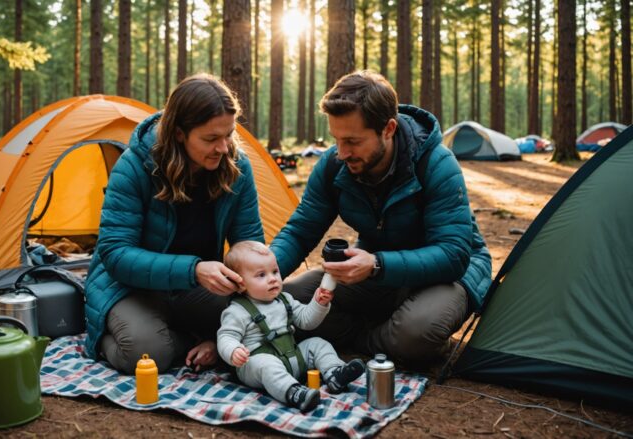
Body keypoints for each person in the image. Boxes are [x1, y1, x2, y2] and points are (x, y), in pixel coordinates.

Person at [270, 70, 492, 366]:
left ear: (388, 129)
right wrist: (265, 274)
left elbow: (453, 254)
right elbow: (300, 231)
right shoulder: (334, 165)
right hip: (378, 270)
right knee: (287, 303)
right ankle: (386, 337)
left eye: (352, 141)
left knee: (417, 331)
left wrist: (376, 264)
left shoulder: (436, 163)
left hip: (446, 275)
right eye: (336, 139)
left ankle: (386, 338)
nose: (342, 153)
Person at [83, 74, 265, 374]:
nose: (223, 148)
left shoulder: (236, 167)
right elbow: (115, 254)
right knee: (146, 354)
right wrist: (193, 270)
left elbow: (250, 241)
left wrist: (256, 281)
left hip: (197, 287)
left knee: (261, 322)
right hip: (130, 286)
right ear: (180, 133)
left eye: (228, 135)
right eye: (210, 139)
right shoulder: (133, 167)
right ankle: (116, 332)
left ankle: (209, 342)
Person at [217, 241, 365, 412]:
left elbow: (306, 321)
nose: (272, 278)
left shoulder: (284, 299)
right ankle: (293, 392)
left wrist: (319, 303)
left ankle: (335, 373)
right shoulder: (237, 311)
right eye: (261, 275)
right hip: (254, 366)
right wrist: (233, 351)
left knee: (317, 343)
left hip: (291, 358)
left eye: (274, 271)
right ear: (240, 283)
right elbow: (226, 336)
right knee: (266, 364)